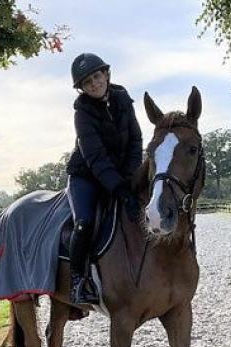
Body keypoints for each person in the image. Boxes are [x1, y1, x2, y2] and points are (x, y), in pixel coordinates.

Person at [66, 53, 142, 304]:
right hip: (86, 177)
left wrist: (130, 178)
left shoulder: (123, 99)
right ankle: (78, 280)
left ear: (106, 74)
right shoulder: (82, 114)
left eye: (97, 76)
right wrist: (120, 189)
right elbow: (95, 158)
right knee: (84, 223)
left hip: (120, 174)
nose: (94, 84)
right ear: (82, 89)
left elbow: (135, 141)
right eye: (87, 82)